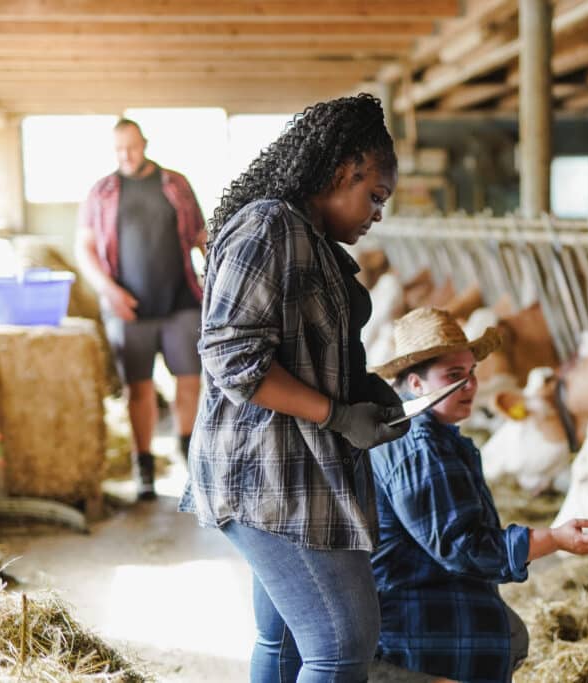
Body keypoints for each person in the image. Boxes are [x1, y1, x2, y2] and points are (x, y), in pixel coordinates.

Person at [180, 93, 410, 683]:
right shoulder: (271, 225)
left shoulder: (308, 236)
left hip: (291, 470)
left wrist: (365, 390)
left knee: (283, 641)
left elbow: (301, 349)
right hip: (266, 473)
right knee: (343, 642)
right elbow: (231, 353)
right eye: (375, 196)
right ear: (343, 171)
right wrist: (336, 415)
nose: (378, 213)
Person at [369, 307, 588, 683]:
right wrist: (555, 539)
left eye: (471, 374)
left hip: (410, 597)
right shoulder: (421, 446)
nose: (469, 386)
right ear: (416, 384)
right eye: (453, 376)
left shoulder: (417, 429)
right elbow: (463, 548)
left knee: (510, 631)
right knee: (500, 636)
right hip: (409, 620)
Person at [76, 118, 206, 501]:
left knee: (189, 379)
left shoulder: (175, 184)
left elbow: (200, 234)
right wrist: (109, 291)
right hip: (129, 306)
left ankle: (189, 457)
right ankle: (143, 466)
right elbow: (83, 248)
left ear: (145, 143)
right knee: (139, 388)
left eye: (131, 147)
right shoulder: (101, 192)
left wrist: (219, 266)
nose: (126, 156)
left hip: (181, 300)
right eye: (119, 149)